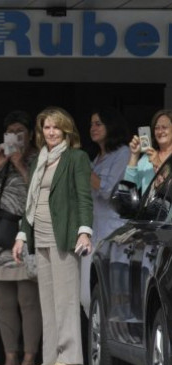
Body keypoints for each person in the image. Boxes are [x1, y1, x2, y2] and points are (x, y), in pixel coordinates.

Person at [12, 106, 93, 365]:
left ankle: (69, 356)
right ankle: (49, 358)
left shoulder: (76, 158)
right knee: (47, 299)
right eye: (46, 127)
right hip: (41, 235)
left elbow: (84, 197)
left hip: (64, 235)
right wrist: (22, 235)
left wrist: (84, 230)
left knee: (66, 298)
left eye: (56, 127)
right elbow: (30, 202)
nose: (51, 132)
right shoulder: (39, 160)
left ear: (66, 130)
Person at [0, 111, 42, 365]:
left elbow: (38, 191)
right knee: (3, 304)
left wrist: (20, 164)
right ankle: (10, 357)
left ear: (29, 134)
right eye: (10, 131)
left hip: (26, 238)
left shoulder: (38, 158)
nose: (15, 136)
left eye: (20, 131)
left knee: (28, 301)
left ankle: (29, 357)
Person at [80, 107, 131, 316]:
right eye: (91, 124)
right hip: (91, 231)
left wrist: (82, 166)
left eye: (98, 123)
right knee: (85, 295)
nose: (93, 128)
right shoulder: (96, 157)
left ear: (111, 126)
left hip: (113, 231)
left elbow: (107, 189)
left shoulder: (123, 153)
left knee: (115, 293)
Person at [124, 109, 172, 193]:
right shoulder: (147, 158)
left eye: (164, 127)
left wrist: (159, 165)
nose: (160, 131)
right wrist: (134, 155)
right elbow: (127, 190)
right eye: (156, 128)